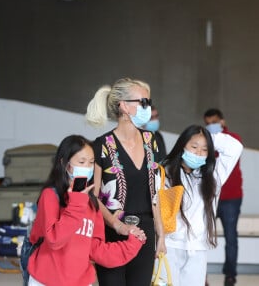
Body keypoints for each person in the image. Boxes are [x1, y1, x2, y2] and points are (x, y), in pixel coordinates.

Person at [27, 135, 146, 286]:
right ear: (64, 163)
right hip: (45, 281)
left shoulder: (91, 203)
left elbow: (97, 250)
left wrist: (133, 242)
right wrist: (77, 202)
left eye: (91, 163)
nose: (87, 168)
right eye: (81, 162)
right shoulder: (50, 196)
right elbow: (54, 240)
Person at [86, 78, 166, 286]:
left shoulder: (152, 141)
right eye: (143, 103)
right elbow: (93, 196)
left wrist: (161, 234)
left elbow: (155, 193)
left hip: (145, 233)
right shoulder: (101, 145)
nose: (147, 108)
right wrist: (118, 225)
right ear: (123, 105)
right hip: (112, 232)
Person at [158, 124, 243, 286]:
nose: (199, 153)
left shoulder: (213, 176)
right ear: (183, 146)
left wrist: (208, 137)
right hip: (169, 246)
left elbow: (235, 147)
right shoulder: (166, 173)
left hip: (197, 248)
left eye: (205, 149)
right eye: (194, 146)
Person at [204, 108, 243, 286]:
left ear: (222, 122)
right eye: (208, 123)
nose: (211, 126)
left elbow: (226, 153)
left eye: (214, 122)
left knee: (230, 238)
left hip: (231, 198)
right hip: (210, 197)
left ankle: (230, 275)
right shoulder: (204, 141)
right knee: (201, 236)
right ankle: (202, 276)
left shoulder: (234, 140)